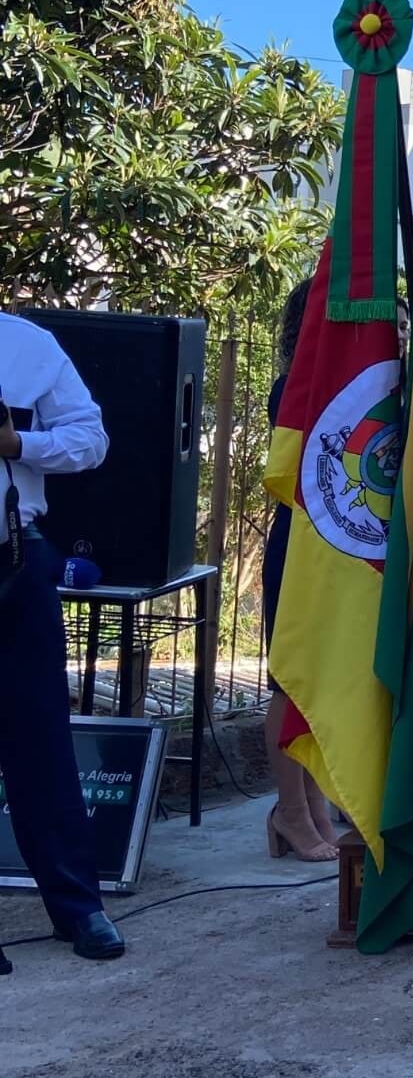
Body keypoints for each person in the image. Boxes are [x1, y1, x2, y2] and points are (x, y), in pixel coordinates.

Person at [0, 311, 125, 968]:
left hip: (16, 562)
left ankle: (78, 907)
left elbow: (89, 439)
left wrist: (19, 446)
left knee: (41, 739)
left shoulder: (27, 345)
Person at [261, 281, 340, 861]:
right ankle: (289, 812)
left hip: (337, 547)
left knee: (322, 684)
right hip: (301, 545)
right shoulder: (293, 386)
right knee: (290, 682)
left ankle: (313, 805)